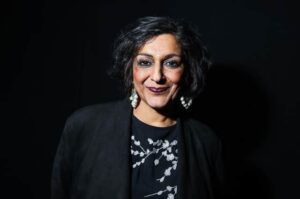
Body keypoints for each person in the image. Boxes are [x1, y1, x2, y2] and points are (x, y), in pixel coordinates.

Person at [51, 16, 224, 199]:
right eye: (145, 62)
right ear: (130, 68)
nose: (157, 76)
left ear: (186, 71)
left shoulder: (206, 142)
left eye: (171, 63)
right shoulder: (84, 125)